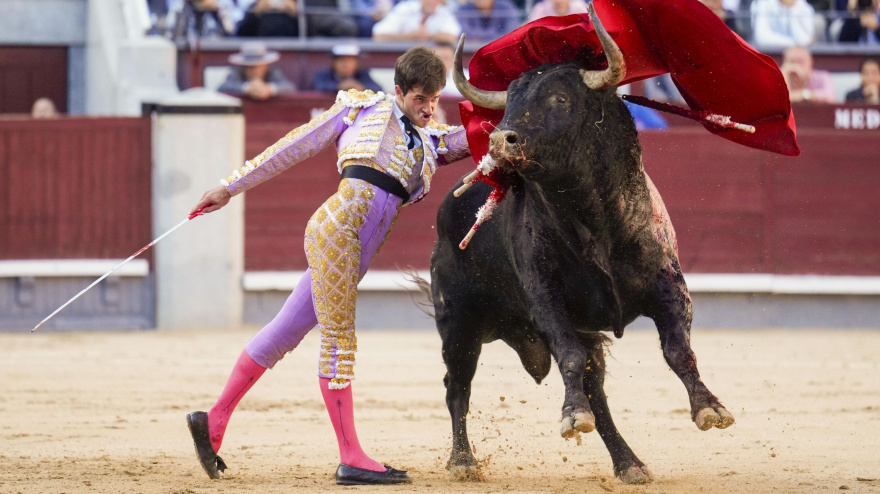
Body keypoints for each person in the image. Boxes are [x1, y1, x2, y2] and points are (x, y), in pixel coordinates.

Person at [185, 46, 471, 485]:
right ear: (398, 91)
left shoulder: (430, 137)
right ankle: (351, 456)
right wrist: (229, 186)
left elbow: (473, 137)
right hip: (337, 231)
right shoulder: (362, 107)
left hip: (354, 249)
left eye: (434, 99)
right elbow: (295, 145)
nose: (429, 108)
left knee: (284, 331)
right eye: (420, 99)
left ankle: (214, 419)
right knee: (339, 340)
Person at [219, 42, 296, 100]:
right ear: (243, 67)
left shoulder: (272, 72)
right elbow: (222, 88)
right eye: (250, 66)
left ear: (265, 66)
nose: (255, 70)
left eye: (258, 66)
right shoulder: (237, 73)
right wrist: (246, 88)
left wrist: (270, 89)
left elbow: (290, 87)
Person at [372, 0, 462, 43]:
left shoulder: (444, 11)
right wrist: (409, 36)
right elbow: (378, 35)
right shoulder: (405, 8)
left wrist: (428, 36)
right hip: (401, 59)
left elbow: (452, 36)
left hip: (430, 61)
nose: (432, 2)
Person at [312, 44, 383, 93]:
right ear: (334, 62)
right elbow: (318, 86)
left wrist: (360, 87)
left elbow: (378, 88)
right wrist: (339, 87)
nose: (345, 64)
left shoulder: (361, 74)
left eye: (350, 61)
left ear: (356, 63)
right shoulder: (325, 74)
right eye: (341, 60)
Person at [749, 0, 816, 47]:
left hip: (796, 54)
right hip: (770, 54)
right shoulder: (763, 3)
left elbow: (804, 40)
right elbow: (762, 39)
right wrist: (794, 44)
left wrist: (792, 9)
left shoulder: (804, 7)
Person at [456, 0, 521, 44]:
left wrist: (480, 38)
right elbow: (462, 32)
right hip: (471, 52)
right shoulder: (464, 8)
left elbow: (511, 33)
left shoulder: (506, 7)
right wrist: (493, 34)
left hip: (500, 50)